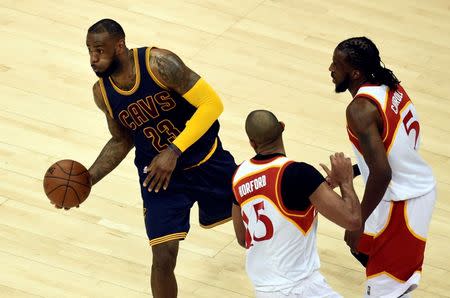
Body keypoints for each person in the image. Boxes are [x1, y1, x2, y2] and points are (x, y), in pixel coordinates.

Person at [80, 19, 236, 298]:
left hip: (206, 160)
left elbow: (212, 104)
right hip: (160, 179)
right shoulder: (102, 93)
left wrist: (174, 151)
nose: (93, 59)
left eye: (99, 50)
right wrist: (88, 179)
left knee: (257, 217)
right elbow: (122, 139)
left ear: (119, 46)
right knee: (162, 257)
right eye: (90, 51)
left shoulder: (159, 64)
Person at [327, 36, 436, 297]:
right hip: (406, 186)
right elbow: (391, 150)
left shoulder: (360, 109)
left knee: (385, 289)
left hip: (403, 203)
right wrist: (353, 171)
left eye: (336, 65)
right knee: (360, 246)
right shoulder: (389, 85)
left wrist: (357, 221)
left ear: (355, 73)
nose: (330, 69)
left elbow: (383, 172)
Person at [231, 110, 361, 298]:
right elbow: (352, 220)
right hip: (301, 288)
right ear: (282, 127)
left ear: (252, 142)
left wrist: (319, 190)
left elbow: (243, 238)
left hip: (264, 291)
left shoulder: (238, 176)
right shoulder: (299, 174)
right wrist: (346, 181)